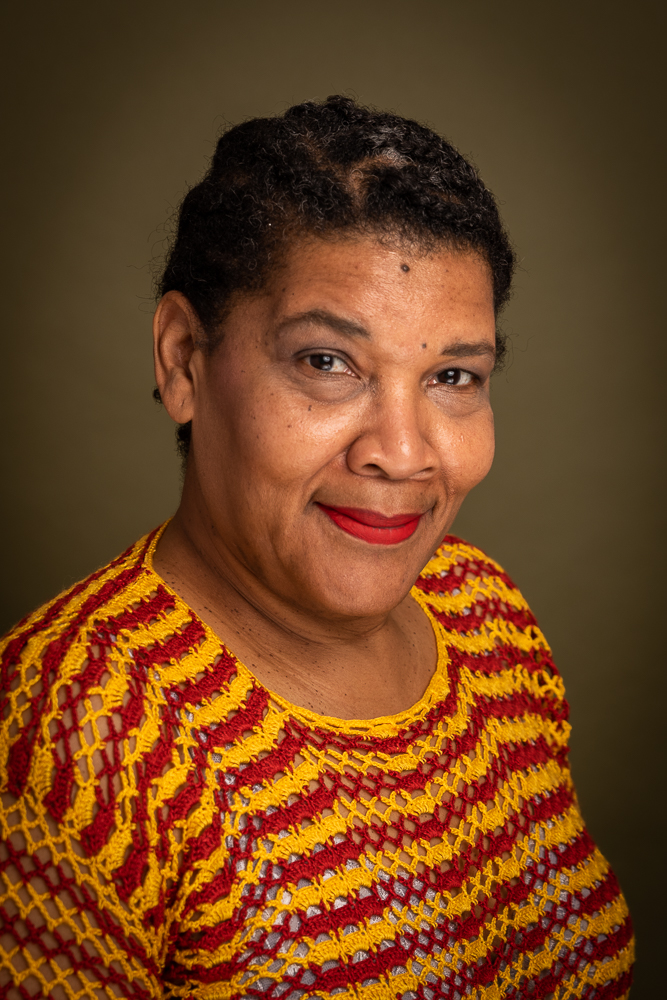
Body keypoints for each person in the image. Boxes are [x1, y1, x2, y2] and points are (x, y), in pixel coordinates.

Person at [0, 96, 633, 1000]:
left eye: (453, 376)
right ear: (182, 359)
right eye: (327, 363)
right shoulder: (72, 737)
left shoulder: (480, 610)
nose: (402, 452)